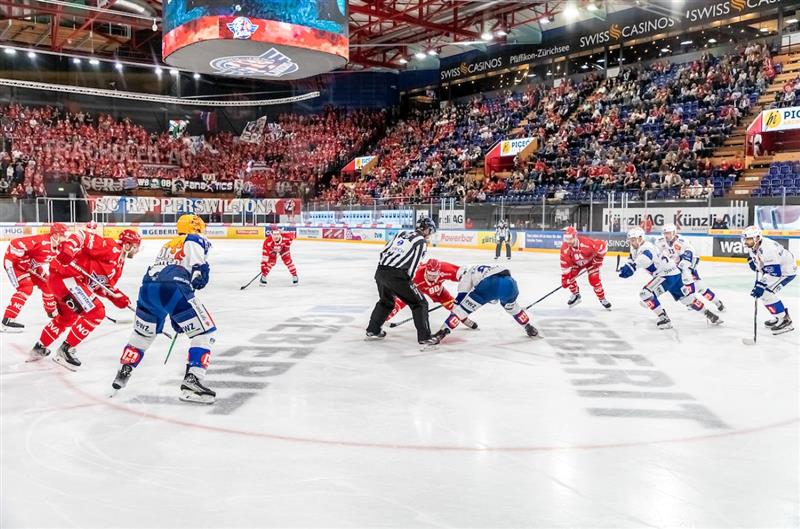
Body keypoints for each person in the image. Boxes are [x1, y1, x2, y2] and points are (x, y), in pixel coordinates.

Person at [110, 214, 217, 403]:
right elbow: (197, 272)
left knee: (142, 335)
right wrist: (200, 272)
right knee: (204, 332)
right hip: (173, 289)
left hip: (148, 288)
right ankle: (193, 380)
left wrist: (178, 313)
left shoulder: (168, 244)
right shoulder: (195, 239)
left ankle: (124, 370)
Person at [27, 229, 141, 370]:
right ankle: (66, 350)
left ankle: (39, 348)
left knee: (67, 319)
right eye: (135, 246)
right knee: (96, 312)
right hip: (66, 277)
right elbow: (82, 235)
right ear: (127, 245)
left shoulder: (118, 265)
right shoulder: (111, 247)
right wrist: (68, 248)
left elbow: (99, 285)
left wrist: (115, 295)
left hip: (65, 282)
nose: (137, 250)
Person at [618, 227, 722, 329]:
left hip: (666, 275)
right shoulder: (636, 248)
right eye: (630, 240)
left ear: (640, 238)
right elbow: (632, 259)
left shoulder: (646, 248)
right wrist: (626, 266)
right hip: (674, 273)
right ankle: (710, 315)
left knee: (645, 294)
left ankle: (664, 319)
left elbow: (643, 259)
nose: (631, 242)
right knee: (686, 299)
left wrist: (630, 268)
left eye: (633, 240)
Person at [366, 217, 439, 345]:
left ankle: (373, 330)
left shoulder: (401, 233)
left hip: (380, 271)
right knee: (420, 304)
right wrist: (408, 282)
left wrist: (384, 268)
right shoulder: (421, 241)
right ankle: (425, 337)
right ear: (426, 229)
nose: (430, 234)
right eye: (430, 231)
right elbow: (414, 264)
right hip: (397, 276)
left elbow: (384, 251)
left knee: (386, 302)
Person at [432, 264, 538, 342]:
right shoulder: (486, 268)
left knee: (460, 311)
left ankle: (441, 333)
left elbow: (459, 300)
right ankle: (529, 327)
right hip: (511, 284)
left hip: (489, 286)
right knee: (513, 308)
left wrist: (457, 309)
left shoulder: (467, 275)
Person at [1, 223, 67, 332]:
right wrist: (21, 260)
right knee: (26, 287)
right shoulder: (41, 241)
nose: (65, 237)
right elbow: (15, 244)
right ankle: (7, 321)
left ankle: (52, 312)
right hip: (14, 262)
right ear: (55, 235)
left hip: (30, 264)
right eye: (63, 234)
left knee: (47, 284)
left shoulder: (59, 247)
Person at [387, 259, 478, 329]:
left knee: (453, 305)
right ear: (426, 271)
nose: (431, 277)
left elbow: (464, 275)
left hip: (437, 290)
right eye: (429, 275)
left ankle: (464, 319)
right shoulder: (416, 276)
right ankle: (385, 318)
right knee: (403, 300)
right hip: (418, 289)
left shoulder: (444, 268)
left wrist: (470, 283)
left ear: (439, 271)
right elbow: (402, 294)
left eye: (434, 275)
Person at [656, 224, 725, 312]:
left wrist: (682, 266)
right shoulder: (660, 242)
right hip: (675, 266)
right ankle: (693, 301)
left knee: (700, 287)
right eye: (665, 233)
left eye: (669, 233)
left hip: (690, 264)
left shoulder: (682, 241)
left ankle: (716, 302)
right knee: (695, 285)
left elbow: (688, 257)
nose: (666, 235)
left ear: (674, 232)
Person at [742, 226, 796, 335]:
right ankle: (779, 316)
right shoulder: (753, 245)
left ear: (757, 238)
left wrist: (761, 284)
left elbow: (775, 273)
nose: (746, 241)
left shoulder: (768, 248)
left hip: (786, 271)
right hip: (777, 270)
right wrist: (755, 263)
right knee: (764, 294)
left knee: (766, 293)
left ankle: (786, 321)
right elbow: (758, 260)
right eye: (745, 239)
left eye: (748, 239)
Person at [560, 226, 611, 309]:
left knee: (594, 280)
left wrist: (598, 259)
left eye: (569, 238)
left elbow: (603, 245)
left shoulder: (587, 243)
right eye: (566, 238)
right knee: (570, 276)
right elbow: (565, 264)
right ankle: (575, 294)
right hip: (576, 263)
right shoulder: (565, 248)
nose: (568, 241)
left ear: (575, 237)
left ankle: (602, 298)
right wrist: (565, 278)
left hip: (591, 262)